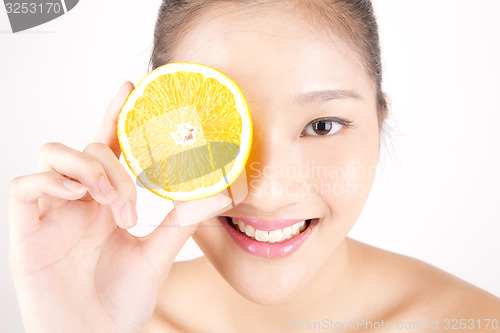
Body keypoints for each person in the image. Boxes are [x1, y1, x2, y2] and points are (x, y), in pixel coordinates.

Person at [8, 0, 500, 332]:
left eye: (323, 125)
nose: (266, 190)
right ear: (154, 128)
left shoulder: (476, 322)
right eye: (216, 129)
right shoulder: (99, 316)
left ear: (378, 118)